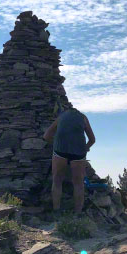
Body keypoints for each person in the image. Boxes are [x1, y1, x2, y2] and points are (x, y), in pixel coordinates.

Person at [43, 85, 96, 214]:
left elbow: (46, 136)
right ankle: (78, 213)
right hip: (78, 153)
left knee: (57, 181)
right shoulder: (83, 118)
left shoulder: (61, 117)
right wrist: (85, 148)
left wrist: (55, 144)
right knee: (78, 183)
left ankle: (56, 211)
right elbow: (92, 139)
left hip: (60, 151)